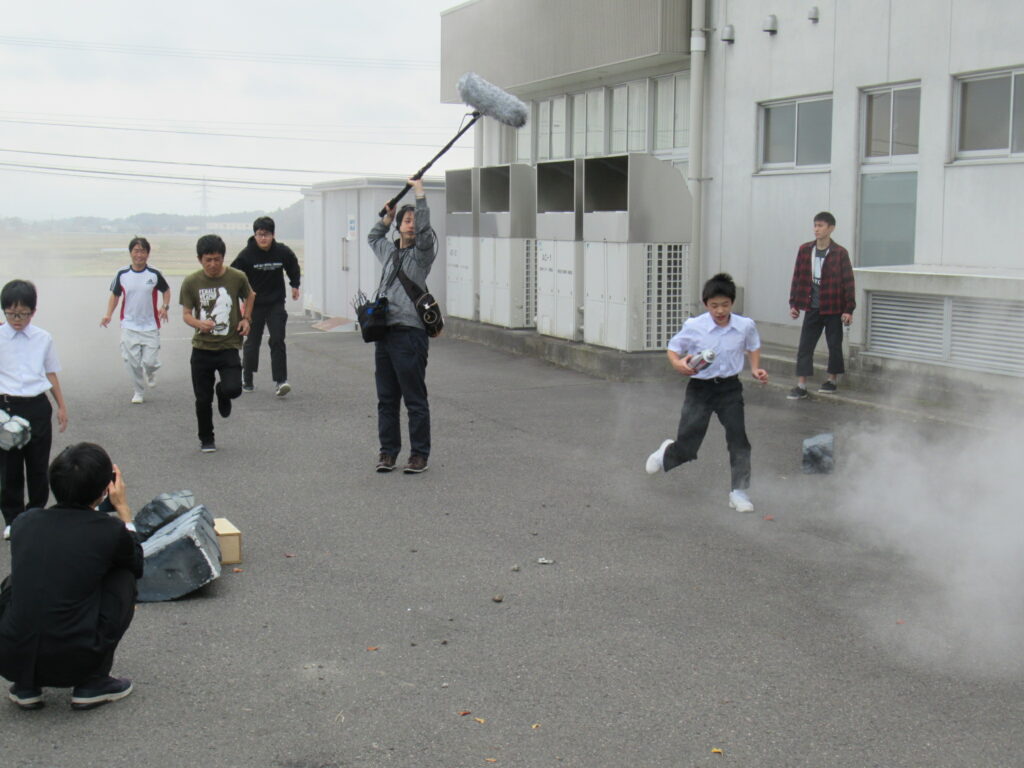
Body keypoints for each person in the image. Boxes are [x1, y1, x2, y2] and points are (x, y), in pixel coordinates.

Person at [0, 443, 143, 711]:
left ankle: (26, 685)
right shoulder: (110, 530)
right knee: (123, 576)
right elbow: (137, 562)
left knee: (17, 580)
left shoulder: (25, 521)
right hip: (74, 661)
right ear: (106, 488)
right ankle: (93, 680)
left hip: (10, 655)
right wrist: (123, 510)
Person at [645, 273, 769, 513]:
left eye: (724, 305)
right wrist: (677, 364)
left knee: (739, 440)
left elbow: (753, 346)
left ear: (732, 303)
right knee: (688, 448)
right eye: (714, 306)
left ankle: (739, 492)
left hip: (730, 388)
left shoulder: (745, 325)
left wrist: (755, 368)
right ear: (705, 304)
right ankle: (665, 454)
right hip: (700, 389)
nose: (720, 311)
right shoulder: (695, 326)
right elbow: (673, 348)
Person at [367, 178, 436, 474]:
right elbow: (373, 237)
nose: (409, 224)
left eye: (412, 221)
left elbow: (424, 232)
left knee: (414, 398)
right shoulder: (389, 252)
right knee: (386, 398)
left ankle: (419, 455)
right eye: (404, 220)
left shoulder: (422, 254)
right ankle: (388, 453)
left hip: (410, 334)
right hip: (384, 332)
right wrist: (387, 217)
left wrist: (419, 194)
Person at [0, 280, 69, 540]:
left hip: (37, 406)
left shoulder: (43, 338)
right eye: (11, 313)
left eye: (24, 314)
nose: (17, 319)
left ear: (33, 311)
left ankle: (36, 514)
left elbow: (50, 373)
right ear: (4, 310)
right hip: (6, 407)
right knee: (9, 468)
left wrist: (61, 406)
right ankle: (13, 519)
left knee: (38, 466)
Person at [179, 235, 254, 453]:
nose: (213, 264)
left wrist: (246, 319)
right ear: (199, 259)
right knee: (202, 399)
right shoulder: (192, 282)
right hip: (201, 348)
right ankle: (206, 438)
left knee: (233, 389)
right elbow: (185, 313)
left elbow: (250, 296)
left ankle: (223, 393)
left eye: (217, 259)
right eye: (208, 260)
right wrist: (198, 323)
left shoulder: (236, 277)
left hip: (228, 346)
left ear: (223, 258)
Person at [787, 211, 856, 399]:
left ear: (831, 228)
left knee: (834, 345)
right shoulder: (805, 250)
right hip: (811, 306)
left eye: (821, 226)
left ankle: (831, 380)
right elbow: (798, 277)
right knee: (805, 346)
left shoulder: (839, 253)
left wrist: (849, 309)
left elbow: (848, 282)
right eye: (815, 225)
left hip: (833, 306)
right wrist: (794, 303)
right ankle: (801, 385)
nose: (816, 229)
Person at [231, 217, 301, 397]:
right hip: (254, 305)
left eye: (266, 235)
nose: (263, 238)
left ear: (273, 235)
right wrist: (240, 300)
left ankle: (281, 381)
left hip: (276, 303)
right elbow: (234, 276)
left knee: (277, 339)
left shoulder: (281, 251)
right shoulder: (246, 255)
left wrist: (295, 284)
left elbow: (293, 264)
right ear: (254, 235)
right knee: (252, 342)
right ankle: (247, 377)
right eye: (259, 234)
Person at [100, 236, 172, 404]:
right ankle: (138, 391)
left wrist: (165, 306)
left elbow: (166, 290)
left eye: (143, 251)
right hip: (129, 325)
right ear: (131, 252)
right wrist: (108, 314)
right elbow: (115, 295)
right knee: (132, 363)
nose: (139, 255)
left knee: (150, 361)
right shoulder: (122, 274)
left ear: (148, 254)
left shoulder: (154, 274)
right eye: (136, 251)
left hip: (150, 325)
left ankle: (151, 371)